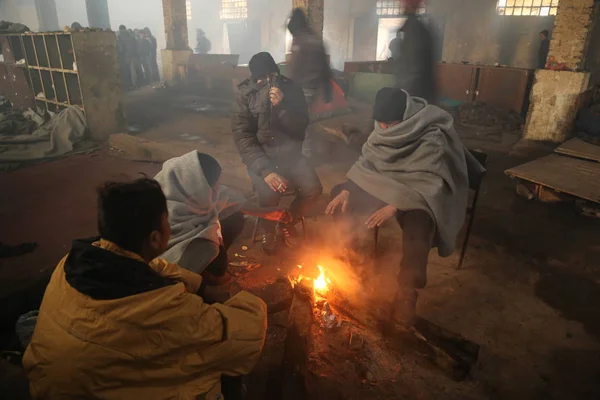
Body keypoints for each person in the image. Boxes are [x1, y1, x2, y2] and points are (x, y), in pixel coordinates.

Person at [23, 178, 267, 399]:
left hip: (46, 384)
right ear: (154, 238)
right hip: (87, 391)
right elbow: (242, 334)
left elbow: (157, 268)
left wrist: (200, 284)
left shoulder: (73, 261)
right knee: (217, 365)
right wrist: (251, 301)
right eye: (166, 222)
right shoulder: (163, 307)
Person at [326, 87, 482, 330]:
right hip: (385, 185)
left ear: (406, 115)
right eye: (381, 123)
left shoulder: (431, 133)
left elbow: (432, 180)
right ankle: (353, 262)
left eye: (390, 123)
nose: (385, 129)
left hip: (418, 192)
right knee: (339, 197)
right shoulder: (381, 127)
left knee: (420, 227)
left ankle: (407, 292)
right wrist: (349, 187)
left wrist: (396, 206)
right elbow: (369, 161)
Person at [154, 151, 292, 284]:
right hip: (166, 273)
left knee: (235, 217)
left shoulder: (187, 187)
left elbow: (233, 201)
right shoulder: (158, 208)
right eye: (214, 187)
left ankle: (211, 268)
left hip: (199, 241)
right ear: (199, 188)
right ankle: (205, 279)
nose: (219, 189)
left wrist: (266, 212)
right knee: (210, 255)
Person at [232, 52, 322, 255]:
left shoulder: (291, 89)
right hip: (262, 158)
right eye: (261, 79)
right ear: (255, 78)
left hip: (292, 156)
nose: (266, 82)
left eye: (270, 77)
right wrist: (265, 171)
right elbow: (243, 137)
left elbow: (300, 127)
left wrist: (282, 108)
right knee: (268, 193)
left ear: (276, 73)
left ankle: (288, 220)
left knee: (313, 189)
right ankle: (268, 229)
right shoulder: (245, 94)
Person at [287, 8, 332, 158]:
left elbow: (294, 68)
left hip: (300, 88)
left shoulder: (299, 41)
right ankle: (304, 152)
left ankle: (305, 156)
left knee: (301, 122)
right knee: (303, 120)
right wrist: (327, 91)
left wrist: (287, 87)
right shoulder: (316, 40)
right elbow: (325, 68)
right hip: (313, 88)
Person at [393, 0, 436, 103]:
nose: (400, 4)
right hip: (415, 94)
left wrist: (402, 96)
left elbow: (414, 69)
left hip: (414, 96)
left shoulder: (415, 29)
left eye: (404, 2)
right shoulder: (413, 27)